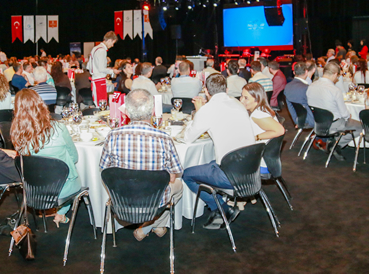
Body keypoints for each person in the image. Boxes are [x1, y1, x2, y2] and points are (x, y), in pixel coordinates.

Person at [99, 89, 184, 240]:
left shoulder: (112, 136)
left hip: (123, 199)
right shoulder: (164, 138)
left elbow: (105, 170)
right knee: (179, 186)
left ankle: (148, 226)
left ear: (126, 112)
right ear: (152, 110)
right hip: (155, 201)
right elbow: (171, 178)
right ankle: (154, 224)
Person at [182, 74, 254, 229]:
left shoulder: (208, 109)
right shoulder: (237, 103)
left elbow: (188, 138)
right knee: (210, 163)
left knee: (186, 174)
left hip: (229, 175)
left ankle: (221, 208)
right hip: (251, 169)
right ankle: (221, 204)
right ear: (226, 89)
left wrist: (198, 111)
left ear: (206, 91)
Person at [11, 89, 80, 227]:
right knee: (74, 173)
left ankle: (55, 210)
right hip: (63, 189)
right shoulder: (59, 128)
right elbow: (74, 157)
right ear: (41, 105)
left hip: (34, 189)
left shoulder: (16, 134)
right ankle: (62, 211)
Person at [306, 62, 363, 161]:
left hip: (318, 123)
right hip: (334, 124)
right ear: (335, 74)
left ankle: (332, 142)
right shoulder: (334, 90)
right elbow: (344, 115)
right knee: (361, 126)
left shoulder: (311, 86)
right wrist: (348, 115)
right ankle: (336, 144)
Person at [88, 31, 121, 106]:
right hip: (99, 80)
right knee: (101, 104)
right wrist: (113, 71)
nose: (112, 45)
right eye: (113, 43)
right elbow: (101, 69)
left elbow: (89, 66)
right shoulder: (102, 51)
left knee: (98, 103)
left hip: (95, 79)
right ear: (109, 40)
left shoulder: (95, 48)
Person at [284, 62, 315, 129]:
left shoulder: (287, 87)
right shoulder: (306, 88)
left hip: (297, 119)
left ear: (294, 73)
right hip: (309, 120)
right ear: (306, 72)